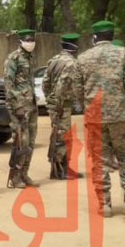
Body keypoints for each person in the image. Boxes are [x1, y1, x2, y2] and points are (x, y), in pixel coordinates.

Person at [75, 21, 125, 218]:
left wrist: (88, 107)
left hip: (95, 118)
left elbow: (77, 90)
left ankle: (104, 203)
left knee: (99, 160)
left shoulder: (83, 58)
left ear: (95, 37)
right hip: (121, 116)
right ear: (112, 36)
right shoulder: (124, 54)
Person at [42, 33, 84, 180]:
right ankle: (60, 171)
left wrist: (50, 100)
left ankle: (59, 169)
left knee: (58, 135)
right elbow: (62, 85)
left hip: (55, 104)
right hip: (62, 105)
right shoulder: (71, 63)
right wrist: (58, 103)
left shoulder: (54, 60)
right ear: (74, 46)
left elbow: (45, 83)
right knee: (63, 137)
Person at [4, 29, 41, 189]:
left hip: (31, 105)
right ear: (20, 41)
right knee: (21, 141)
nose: (30, 42)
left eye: (32, 39)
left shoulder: (30, 58)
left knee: (31, 141)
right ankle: (15, 176)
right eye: (27, 39)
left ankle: (25, 174)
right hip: (18, 107)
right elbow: (8, 83)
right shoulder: (14, 58)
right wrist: (17, 105)